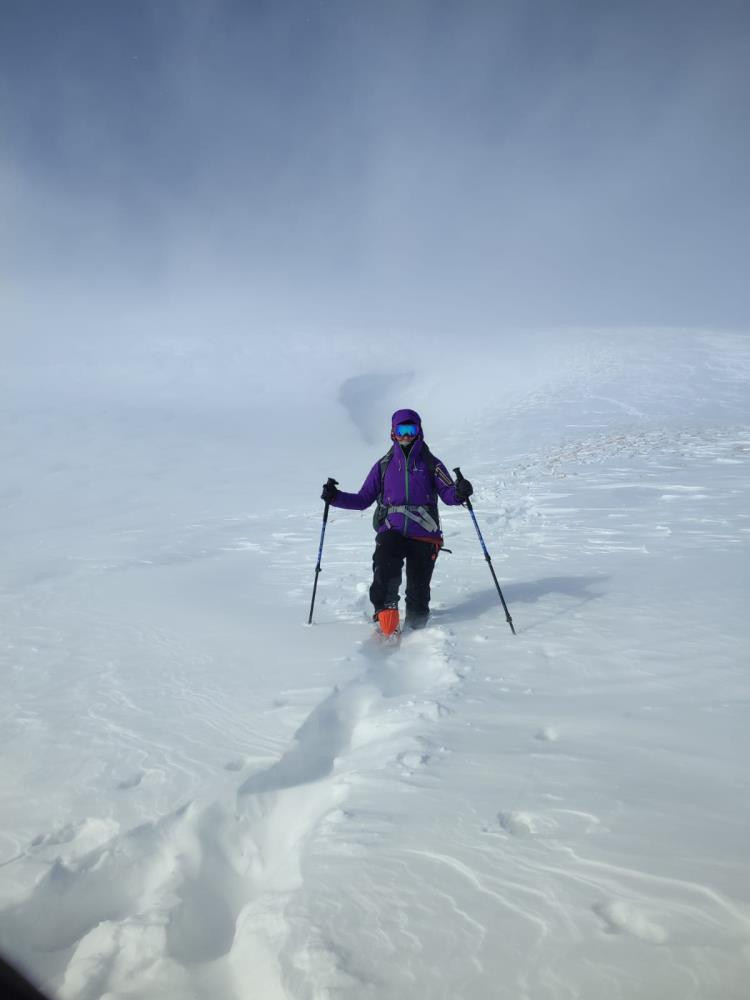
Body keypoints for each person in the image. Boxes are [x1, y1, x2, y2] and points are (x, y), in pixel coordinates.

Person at [321, 408, 473, 634]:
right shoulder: (384, 465)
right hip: (392, 530)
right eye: (401, 430)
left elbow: (449, 494)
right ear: (392, 432)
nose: (406, 435)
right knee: (385, 567)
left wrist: (460, 492)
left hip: (424, 533)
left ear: (419, 431)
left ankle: (417, 628)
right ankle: (386, 615)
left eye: (411, 430)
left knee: (418, 592)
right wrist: (335, 498)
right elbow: (363, 499)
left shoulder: (432, 464)